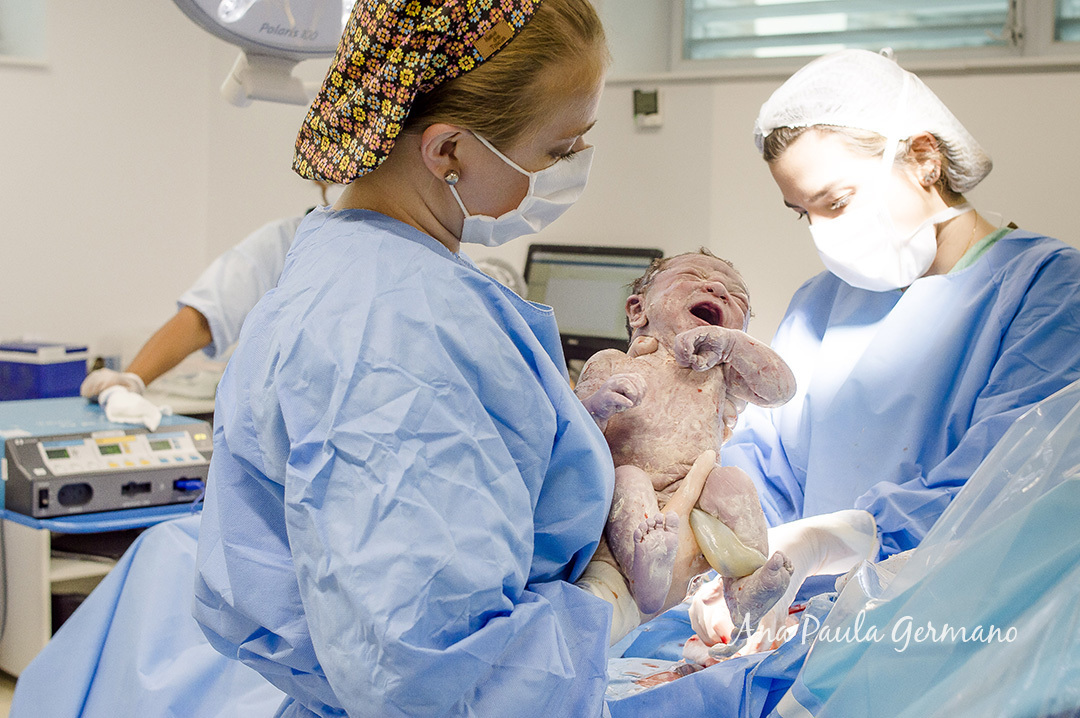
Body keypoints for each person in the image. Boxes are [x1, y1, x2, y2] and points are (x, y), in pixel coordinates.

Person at [191, 2, 705, 716]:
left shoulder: (348, 268)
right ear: (447, 151)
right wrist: (616, 597)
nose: (566, 171)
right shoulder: (400, 329)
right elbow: (426, 677)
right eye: (557, 151)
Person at [690, 48, 1080, 650]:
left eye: (836, 202)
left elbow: (1005, 486)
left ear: (923, 158)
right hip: (805, 632)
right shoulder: (820, 304)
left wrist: (832, 540)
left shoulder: (1046, 290)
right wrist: (736, 555)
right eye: (803, 215)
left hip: (952, 635)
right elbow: (764, 461)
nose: (822, 232)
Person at [574, 249, 796, 623]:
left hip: (694, 498)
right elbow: (574, 438)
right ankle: (645, 576)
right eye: (692, 275)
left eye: (736, 296)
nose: (717, 288)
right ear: (637, 311)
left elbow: (780, 390)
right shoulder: (614, 363)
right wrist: (598, 405)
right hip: (625, 493)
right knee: (630, 480)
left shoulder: (721, 375)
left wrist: (733, 346)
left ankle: (742, 587)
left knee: (732, 482)